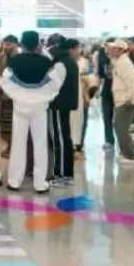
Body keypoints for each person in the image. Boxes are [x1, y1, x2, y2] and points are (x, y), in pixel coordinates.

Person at [0, 31, 66, 193]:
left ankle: (14, 181)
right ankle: (40, 183)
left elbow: (5, 82)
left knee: (18, 144)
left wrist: (19, 96)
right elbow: (55, 83)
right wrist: (42, 97)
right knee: (40, 144)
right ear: (38, 44)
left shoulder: (14, 61)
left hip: (19, 108)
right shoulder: (46, 62)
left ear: (21, 44)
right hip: (39, 109)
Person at [49, 38, 81, 187]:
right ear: (71, 49)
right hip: (65, 105)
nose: (79, 52)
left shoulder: (61, 63)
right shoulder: (69, 62)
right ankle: (66, 174)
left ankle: (62, 175)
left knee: (60, 140)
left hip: (58, 105)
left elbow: (54, 86)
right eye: (78, 48)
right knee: (64, 139)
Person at [108, 39, 134, 165]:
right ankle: (126, 154)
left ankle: (130, 156)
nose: (111, 50)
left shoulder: (125, 63)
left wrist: (128, 97)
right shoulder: (119, 62)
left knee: (121, 128)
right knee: (119, 127)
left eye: (114, 48)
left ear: (121, 50)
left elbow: (133, 82)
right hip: (121, 100)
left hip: (126, 101)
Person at [0, 35, 20, 177]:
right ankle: (9, 145)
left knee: (14, 123)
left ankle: (12, 147)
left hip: (15, 96)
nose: (6, 46)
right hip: (2, 95)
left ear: (15, 45)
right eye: (5, 43)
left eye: (9, 44)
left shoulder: (19, 58)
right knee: (4, 123)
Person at [95, 41, 116, 151]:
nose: (108, 49)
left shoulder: (121, 59)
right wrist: (97, 89)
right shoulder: (102, 58)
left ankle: (123, 141)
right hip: (107, 91)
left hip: (119, 92)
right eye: (106, 46)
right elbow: (100, 75)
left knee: (119, 119)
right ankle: (109, 139)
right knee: (107, 116)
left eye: (110, 47)